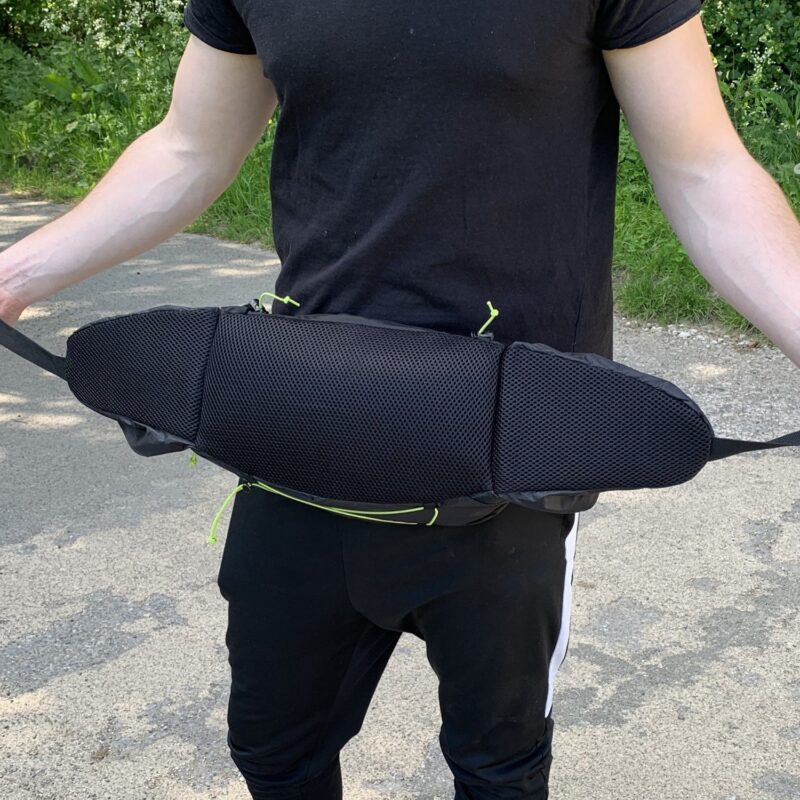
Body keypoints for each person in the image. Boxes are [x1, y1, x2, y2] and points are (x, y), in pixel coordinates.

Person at [1, 2, 798, 798]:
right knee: (275, 753)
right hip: (304, 432)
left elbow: (703, 166)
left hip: (504, 459)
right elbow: (188, 145)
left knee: (500, 772)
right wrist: (14, 276)